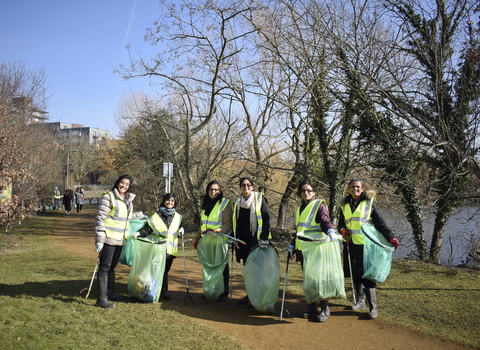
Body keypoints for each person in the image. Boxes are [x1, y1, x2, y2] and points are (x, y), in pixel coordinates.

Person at [338, 178, 400, 319]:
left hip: (367, 246)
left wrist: (391, 237)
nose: (355, 189)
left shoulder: (369, 202)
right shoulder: (344, 204)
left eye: (358, 187)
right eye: (353, 187)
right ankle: (360, 302)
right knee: (356, 274)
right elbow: (341, 223)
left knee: (367, 275)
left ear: (362, 188)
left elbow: (380, 223)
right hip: (351, 243)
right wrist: (342, 230)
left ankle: (374, 308)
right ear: (349, 188)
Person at [289, 179, 338, 322]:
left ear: (314, 192)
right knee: (309, 279)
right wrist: (292, 245)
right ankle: (312, 307)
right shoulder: (300, 208)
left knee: (320, 279)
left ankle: (325, 309)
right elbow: (299, 230)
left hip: (317, 248)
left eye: (309, 190)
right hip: (303, 249)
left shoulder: (319, 205)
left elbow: (324, 221)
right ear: (300, 193)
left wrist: (330, 230)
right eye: (303, 190)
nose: (306, 193)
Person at [94, 175, 135, 308]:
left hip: (120, 239)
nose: (124, 186)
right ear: (117, 183)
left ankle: (111, 293)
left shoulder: (127, 200)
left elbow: (124, 216)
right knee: (104, 267)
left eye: (127, 184)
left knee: (112, 266)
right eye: (122, 183)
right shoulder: (109, 197)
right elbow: (100, 219)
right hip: (108, 239)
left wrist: (138, 216)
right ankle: (101, 299)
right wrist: (100, 239)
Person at [232, 176, 271, 306]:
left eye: (248, 185)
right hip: (242, 242)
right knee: (248, 270)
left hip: (257, 241)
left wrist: (264, 238)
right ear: (240, 187)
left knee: (258, 270)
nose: (246, 187)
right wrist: (234, 238)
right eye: (243, 185)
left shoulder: (260, 199)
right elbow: (235, 221)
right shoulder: (238, 202)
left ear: (252, 186)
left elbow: (266, 220)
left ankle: (259, 297)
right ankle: (250, 295)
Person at [136, 193, 183, 300]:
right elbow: (148, 229)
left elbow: (180, 227)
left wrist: (182, 230)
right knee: (157, 268)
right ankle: (155, 290)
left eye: (172, 201)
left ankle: (160, 290)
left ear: (175, 203)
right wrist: (139, 233)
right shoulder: (156, 216)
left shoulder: (178, 217)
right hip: (158, 248)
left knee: (165, 270)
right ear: (164, 201)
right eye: (168, 200)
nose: (170, 203)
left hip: (171, 249)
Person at [194, 180, 232, 302]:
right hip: (207, 242)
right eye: (211, 189)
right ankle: (210, 289)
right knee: (208, 267)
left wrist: (219, 231)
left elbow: (228, 224)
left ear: (220, 191)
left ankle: (224, 291)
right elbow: (202, 224)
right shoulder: (205, 205)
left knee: (222, 267)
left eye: (216, 189)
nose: (213, 191)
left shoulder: (224, 203)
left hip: (220, 241)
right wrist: (197, 239)